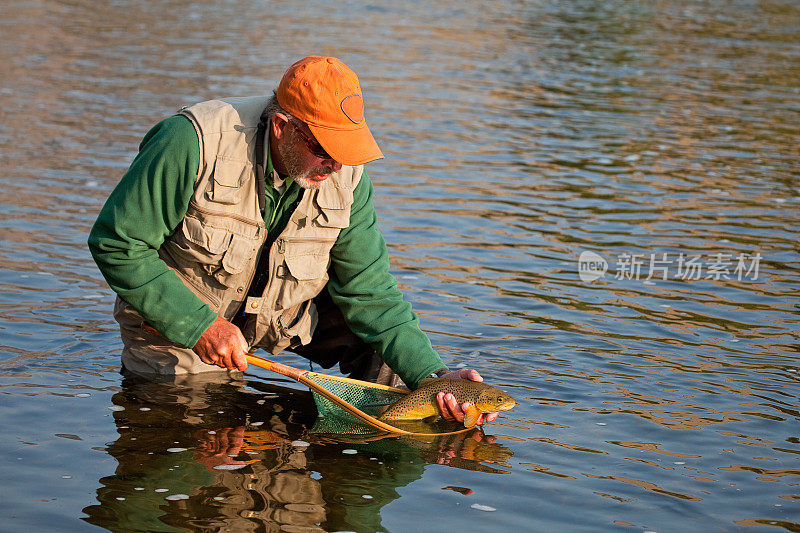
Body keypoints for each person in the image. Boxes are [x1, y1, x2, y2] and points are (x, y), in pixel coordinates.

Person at [88, 55, 498, 425]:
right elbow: (117, 243)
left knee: (390, 360)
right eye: (325, 149)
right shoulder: (189, 142)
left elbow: (371, 293)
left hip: (282, 318)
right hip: (177, 331)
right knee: (196, 421)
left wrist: (435, 378)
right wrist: (200, 327)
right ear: (282, 127)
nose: (336, 166)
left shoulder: (345, 176)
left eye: (346, 150)